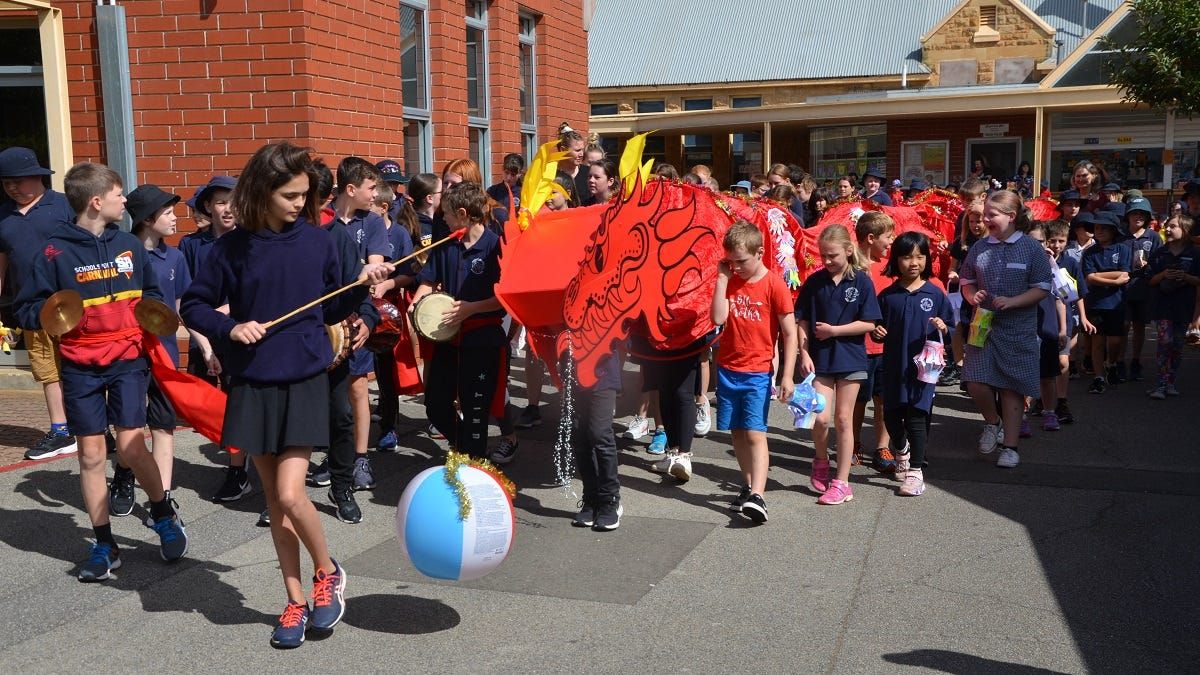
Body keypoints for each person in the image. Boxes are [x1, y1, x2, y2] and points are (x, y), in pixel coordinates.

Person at [181, 142, 379, 648]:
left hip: (304, 377)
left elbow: (340, 301)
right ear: (262, 192)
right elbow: (194, 305)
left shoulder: (321, 242)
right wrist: (232, 328)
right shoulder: (229, 248)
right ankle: (293, 601)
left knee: (291, 494)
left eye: (304, 195)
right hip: (252, 380)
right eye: (290, 195)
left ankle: (327, 571)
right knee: (273, 499)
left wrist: (367, 284)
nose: (299, 204)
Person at [15, 161, 186, 582]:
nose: (123, 200)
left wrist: (154, 313)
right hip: (79, 367)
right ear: (96, 201)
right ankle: (105, 544)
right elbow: (23, 308)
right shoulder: (53, 251)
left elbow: (149, 293)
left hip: (128, 360)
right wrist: (50, 313)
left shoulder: (128, 243)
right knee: (91, 454)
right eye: (118, 194)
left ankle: (163, 513)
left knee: (130, 447)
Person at [107, 185, 191, 518]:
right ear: (146, 220)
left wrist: (206, 345)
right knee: (131, 428)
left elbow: (182, 308)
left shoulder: (176, 257)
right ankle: (125, 474)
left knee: (163, 426)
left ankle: (163, 497)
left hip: (166, 355)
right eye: (168, 213)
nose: (175, 218)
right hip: (130, 354)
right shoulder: (121, 255)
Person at [410, 181, 506, 459]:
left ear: (463, 213)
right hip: (449, 339)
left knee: (477, 410)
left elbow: (504, 298)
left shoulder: (495, 247)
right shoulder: (446, 246)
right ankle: (464, 448)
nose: (443, 219)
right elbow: (428, 281)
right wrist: (417, 305)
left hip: (483, 340)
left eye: (447, 214)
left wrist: (470, 308)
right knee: (436, 404)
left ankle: (473, 462)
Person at [959, 190, 1053, 469]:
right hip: (983, 324)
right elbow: (966, 280)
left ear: (1011, 217)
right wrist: (971, 295)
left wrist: (1014, 302)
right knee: (975, 381)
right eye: (984, 214)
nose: (985, 219)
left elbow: (1042, 288)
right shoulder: (979, 247)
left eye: (992, 215)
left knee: (1011, 387)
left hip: (1017, 327)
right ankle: (992, 422)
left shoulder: (1030, 248)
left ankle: (1010, 447)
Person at [711, 221, 797, 522]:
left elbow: (789, 333)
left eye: (741, 261)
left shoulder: (774, 284)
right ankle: (748, 486)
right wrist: (722, 281)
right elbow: (718, 318)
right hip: (727, 368)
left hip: (757, 370)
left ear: (760, 253)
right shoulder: (730, 280)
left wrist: (787, 375)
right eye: (731, 262)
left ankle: (759, 495)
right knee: (736, 431)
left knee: (755, 432)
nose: (735, 267)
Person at [795, 223, 882, 505]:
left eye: (832, 255)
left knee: (844, 419)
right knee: (820, 417)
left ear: (848, 250)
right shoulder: (815, 282)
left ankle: (842, 482)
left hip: (851, 358)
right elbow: (803, 320)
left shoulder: (862, 281)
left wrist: (835, 331)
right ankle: (821, 459)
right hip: (820, 360)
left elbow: (869, 322)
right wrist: (804, 352)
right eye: (823, 255)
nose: (827, 261)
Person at [0, 146, 77, 461]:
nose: (12, 188)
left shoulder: (64, 207)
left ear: (37, 176)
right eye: (6, 182)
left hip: (71, 306)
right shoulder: (3, 215)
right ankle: (61, 431)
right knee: (47, 371)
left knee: (81, 368)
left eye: (18, 181)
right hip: (30, 308)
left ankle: (96, 428)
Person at [179, 175, 247, 502]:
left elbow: (253, 295)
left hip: (240, 336)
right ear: (208, 206)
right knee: (213, 409)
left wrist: (220, 314)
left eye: (233, 200)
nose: (228, 208)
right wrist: (205, 348)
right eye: (221, 202)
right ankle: (238, 466)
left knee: (239, 406)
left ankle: (240, 471)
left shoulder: (250, 241)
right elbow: (186, 301)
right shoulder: (192, 245)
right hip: (204, 339)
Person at [871, 231, 952, 497]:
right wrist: (876, 332)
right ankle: (901, 449)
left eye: (920, 256)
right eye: (906, 257)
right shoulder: (888, 295)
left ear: (928, 259)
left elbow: (950, 327)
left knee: (917, 417)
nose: (914, 262)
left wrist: (944, 327)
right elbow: (875, 326)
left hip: (924, 369)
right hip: (894, 366)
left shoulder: (935, 292)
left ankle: (916, 472)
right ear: (896, 260)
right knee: (892, 415)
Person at [331, 157, 389, 491]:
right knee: (329, 394)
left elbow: (375, 266)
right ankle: (332, 454)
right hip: (327, 319)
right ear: (350, 189)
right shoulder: (323, 221)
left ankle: (361, 456)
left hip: (357, 314)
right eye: (370, 188)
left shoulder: (374, 222)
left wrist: (374, 275)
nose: (375, 194)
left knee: (357, 387)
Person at [853, 212, 896, 472]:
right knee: (857, 401)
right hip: (858, 349)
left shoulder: (890, 267)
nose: (891, 243)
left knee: (884, 399)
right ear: (871, 238)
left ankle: (882, 447)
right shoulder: (852, 268)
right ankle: (854, 443)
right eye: (888, 237)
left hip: (886, 349)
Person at [1041, 219, 1091, 425]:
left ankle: (1061, 400)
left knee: (1062, 361)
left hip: (1064, 318)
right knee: (1043, 361)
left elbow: (1076, 294)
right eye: (1052, 240)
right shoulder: (1040, 260)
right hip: (1043, 316)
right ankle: (1041, 400)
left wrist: (1084, 317)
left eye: (1061, 241)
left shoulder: (1070, 262)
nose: (1057, 245)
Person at [1146, 214, 1200, 398]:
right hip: (1163, 306)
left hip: (1184, 306)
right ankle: (1160, 384)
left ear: (1185, 231)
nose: (1167, 229)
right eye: (1167, 226)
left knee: (1177, 345)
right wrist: (1163, 275)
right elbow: (1149, 279)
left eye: (1173, 226)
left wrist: (1185, 277)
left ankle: (1170, 382)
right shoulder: (1160, 253)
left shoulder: (1195, 254)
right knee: (1164, 342)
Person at [571, 349, 625, 531]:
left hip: (603, 373)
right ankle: (591, 498)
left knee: (600, 434)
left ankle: (610, 500)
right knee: (579, 436)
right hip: (574, 372)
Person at [1023, 221, 1068, 438]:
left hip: (1047, 325)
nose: (1037, 246)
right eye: (1031, 241)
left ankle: (1049, 411)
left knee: (1047, 374)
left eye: (1040, 241)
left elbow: (1066, 296)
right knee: (1022, 373)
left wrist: (1063, 330)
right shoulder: (1018, 263)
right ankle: (1020, 414)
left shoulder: (1052, 264)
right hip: (1022, 324)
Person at [1081, 211, 1131, 393]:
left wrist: (1099, 276)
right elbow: (1089, 278)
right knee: (1097, 341)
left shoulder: (1123, 249)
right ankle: (1099, 377)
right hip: (1095, 303)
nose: (1099, 231)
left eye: (1103, 228)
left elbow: (1125, 273)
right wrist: (1114, 280)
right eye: (1096, 228)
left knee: (1116, 341)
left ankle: (1111, 363)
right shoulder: (1090, 252)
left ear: (1113, 230)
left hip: (1116, 302)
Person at [1120, 197, 1161, 382]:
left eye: (1141, 214)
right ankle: (1119, 361)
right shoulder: (1121, 235)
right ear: (1127, 216)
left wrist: (1150, 267)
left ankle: (1136, 361)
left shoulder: (1153, 237)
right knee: (1123, 326)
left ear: (1147, 217)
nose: (1137, 217)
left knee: (1138, 326)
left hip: (1144, 288)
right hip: (1121, 288)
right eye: (1134, 213)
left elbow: (1161, 260)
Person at [556, 123, 589, 206]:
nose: (581, 154)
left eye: (582, 150)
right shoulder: (550, 174)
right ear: (563, 150)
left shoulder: (589, 173)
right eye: (577, 150)